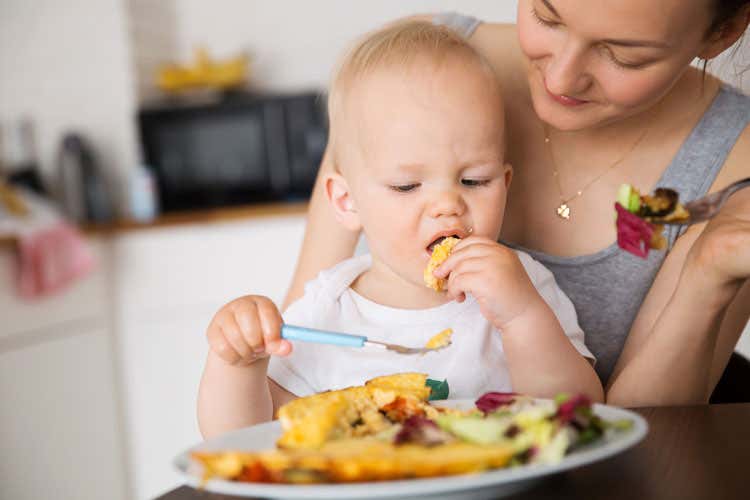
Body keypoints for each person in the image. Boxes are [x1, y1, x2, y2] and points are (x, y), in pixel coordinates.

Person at [284, 1, 750, 408]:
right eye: (547, 15)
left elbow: (633, 436)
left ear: (723, 32)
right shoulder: (407, 68)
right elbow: (293, 350)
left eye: (624, 55)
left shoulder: (736, 158)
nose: (562, 76)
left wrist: (707, 276)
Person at [197, 21, 603, 438]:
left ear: (506, 184)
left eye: (474, 181)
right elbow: (245, 437)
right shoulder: (328, 309)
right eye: (407, 186)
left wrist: (522, 317)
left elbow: (583, 415)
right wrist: (238, 365)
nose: (448, 205)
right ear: (346, 201)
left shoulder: (523, 286)